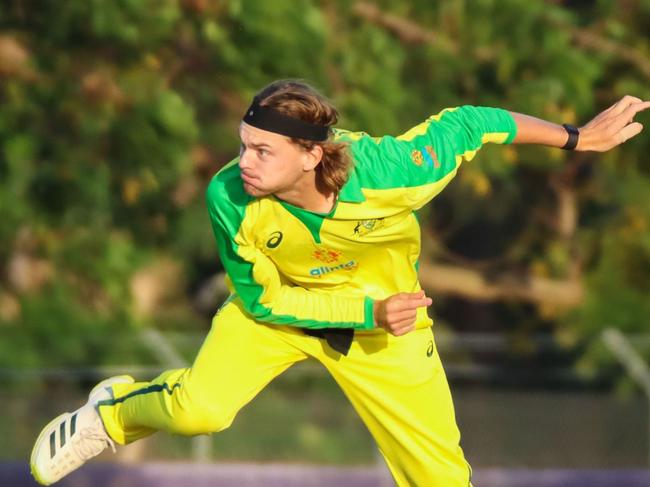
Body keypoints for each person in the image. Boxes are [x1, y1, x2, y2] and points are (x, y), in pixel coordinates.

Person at [30, 79, 649, 486]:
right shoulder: (229, 196)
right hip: (280, 311)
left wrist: (576, 138)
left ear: (311, 154)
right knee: (200, 411)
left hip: (390, 321)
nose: (242, 162)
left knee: (442, 481)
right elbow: (259, 296)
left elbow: (471, 123)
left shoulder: (388, 173)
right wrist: (363, 312)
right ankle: (108, 415)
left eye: (262, 150)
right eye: (243, 144)